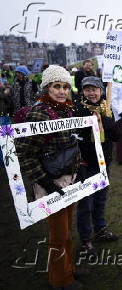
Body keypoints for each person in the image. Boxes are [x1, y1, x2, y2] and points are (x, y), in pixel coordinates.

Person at [15, 65, 82, 289]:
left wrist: (78, 166)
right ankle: (60, 280)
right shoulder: (39, 112)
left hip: (68, 181)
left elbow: (71, 142)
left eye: (65, 86)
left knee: (67, 231)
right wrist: (45, 182)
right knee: (58, 234)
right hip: (50, 183)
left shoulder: (67, 110)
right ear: (46, 88)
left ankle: (69, 270)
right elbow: (24, 153)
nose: (62, 91)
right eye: (56, 86)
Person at [74, 76, 120, 256]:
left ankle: (100, 230)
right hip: (85, 164)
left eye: (95, 89)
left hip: (104, 162)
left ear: (101, 91)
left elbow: (117, 137)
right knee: (86, 203)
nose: (92, 93)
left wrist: (108, 123)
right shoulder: (78, 109)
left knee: (101, 199)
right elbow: (75, 136)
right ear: (83, 91)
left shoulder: (106, 108)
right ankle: (86, 240)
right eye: (87, 89)